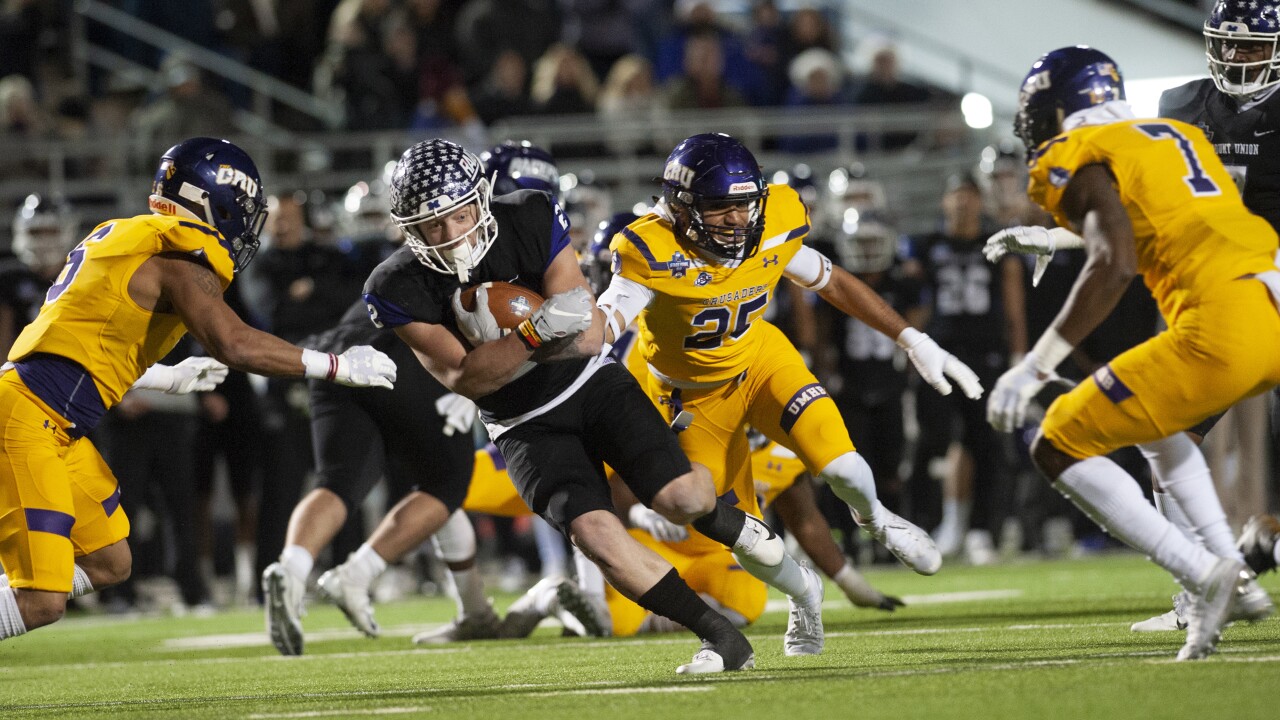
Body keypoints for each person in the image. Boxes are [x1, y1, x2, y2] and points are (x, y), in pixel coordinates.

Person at [361, 138, 792, 674]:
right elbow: (466, 378)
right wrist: (534, 334)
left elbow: (588, 336)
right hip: (520, 423)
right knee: (595, 536)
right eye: (433, 226)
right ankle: (721, 639)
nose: (452, 235)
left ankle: (729, 520)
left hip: (590, 382)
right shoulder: (395, 284)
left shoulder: (530, 213)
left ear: (483, 197)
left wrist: (514, 345)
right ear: (409, 229)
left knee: (681, 498)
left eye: (460, 214)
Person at [0, 137, 397, 643]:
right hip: (29, 420)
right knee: (40, 601)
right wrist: (335, 364)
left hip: (50, 418)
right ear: (214, 199)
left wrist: (168, 376)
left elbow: (83, 344)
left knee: (110, 562)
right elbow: (234, 343)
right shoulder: (176, 252)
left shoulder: (123, 234)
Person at [596, 133, 982, 637]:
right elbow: (605, 326)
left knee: (842, 466)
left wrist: (912, 339)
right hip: (694, 401)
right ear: (681, 206)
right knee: (749, 540)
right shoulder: (648, 249)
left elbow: (832, 281)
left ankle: (877, 518)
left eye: (745, 205)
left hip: (760, 360)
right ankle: (803, 591)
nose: (738, 220)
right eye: (721, 208)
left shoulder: (774, 220)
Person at [988, 1, 1280, 632]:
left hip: (1222, 315)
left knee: (1059, 441)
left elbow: (1115, 257)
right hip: (1263, 293)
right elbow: (1157, 220)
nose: (1236, 59)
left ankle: (1210, 576)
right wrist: (1058, 239)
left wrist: (1034, 366)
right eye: (1226, 45)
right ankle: (1221, 580)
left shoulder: (1077, 152)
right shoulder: (1182, 125)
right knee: (1163, 433)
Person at [261, 297, 476, 656]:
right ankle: (356, 574)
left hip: (339, 352)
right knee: (445, 484)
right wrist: (477, 389)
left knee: (336, 480)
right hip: (407, 355)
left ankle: (293, 568)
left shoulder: (398, 264)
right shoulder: (465, 257)